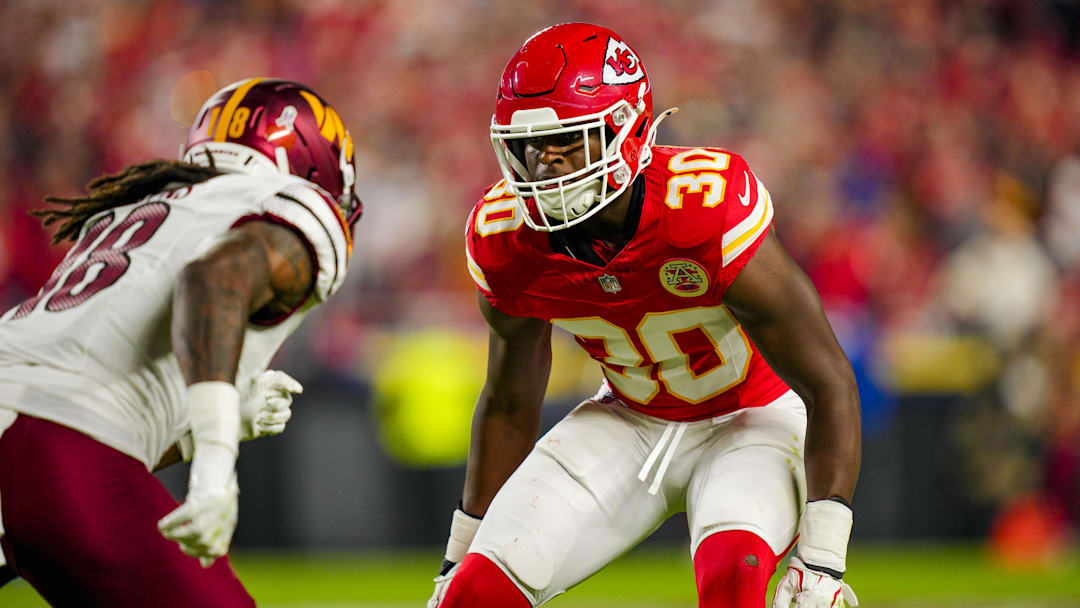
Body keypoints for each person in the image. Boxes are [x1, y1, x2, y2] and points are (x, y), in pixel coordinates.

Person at [429, 23, 861, 608]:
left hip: (749, 416)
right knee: (472, 599)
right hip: (630, 419)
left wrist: (823, 564)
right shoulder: (507, 240)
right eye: (531, 148)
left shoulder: (704, 212)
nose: (546, 167)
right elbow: (508, 401)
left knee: (734, 581)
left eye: (568, 143)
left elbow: (827, 378)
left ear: (625, 129)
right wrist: (460, 555)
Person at [0, 78, 362, 606]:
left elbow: (97, 408)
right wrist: (216, 461)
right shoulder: (285, 203)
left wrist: (201, 429)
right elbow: (211, 279)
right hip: (54, 433)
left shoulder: (138, 209)